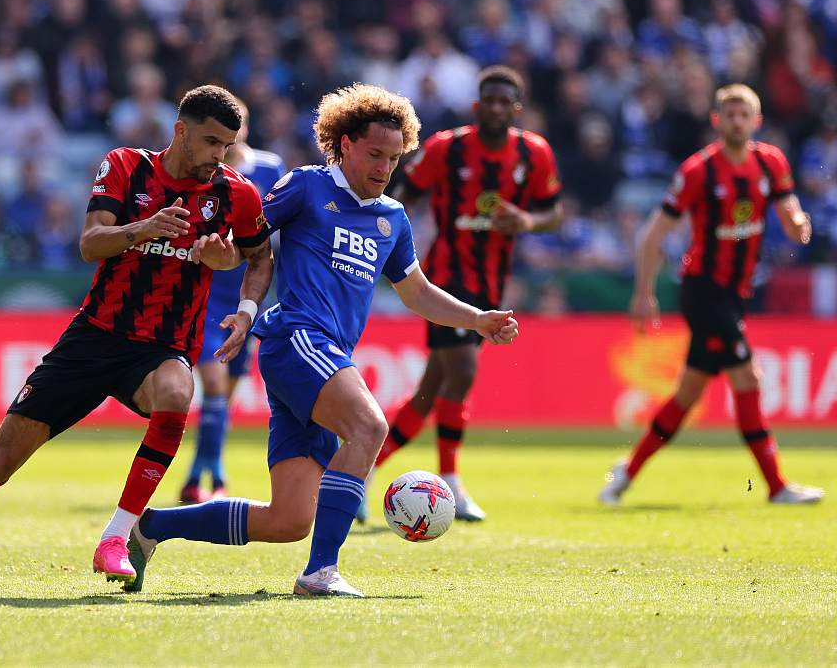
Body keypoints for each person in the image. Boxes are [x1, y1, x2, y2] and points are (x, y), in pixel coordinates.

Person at [123, 84, 520, 597]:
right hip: (297, 339)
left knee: (288, 520)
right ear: (345, 144)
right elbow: (251, 240)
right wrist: (234, 282)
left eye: (394, 158)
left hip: (325, 358)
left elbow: (416, 292)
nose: (384, 167)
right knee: (368, 425)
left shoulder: (392, 218)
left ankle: (152, 527)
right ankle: (321, 573)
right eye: (374, 154)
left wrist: (477, 319)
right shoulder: (306, 187)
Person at [0, 85, 275, 593]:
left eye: (226, 146)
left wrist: (244, 306)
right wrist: (145, 228)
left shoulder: (235, 192)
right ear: (180, 130)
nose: (219, 156)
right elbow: (89, 243)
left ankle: (116, 537)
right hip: (94, 336)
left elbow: (258, 255)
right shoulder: (124, 166)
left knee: (178, 390)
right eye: (210, 142)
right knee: (0, 462)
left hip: (164, 345)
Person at [599, 83, 823, 507]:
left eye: (745, 115)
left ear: (756, 122)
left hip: (736, 292)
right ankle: (776, 487)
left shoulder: (770, 161)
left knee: (687, 394)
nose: (737, 121)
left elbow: (790, 207)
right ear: (717, 121)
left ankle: (626, 472)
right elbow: (653, 235)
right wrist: (643, 294)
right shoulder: (698, 171)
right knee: (748, 377)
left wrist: (798, 223)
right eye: (730, 114)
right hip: (703, 290)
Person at [366, 66, 563, 522]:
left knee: (429, 392)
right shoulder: (446, 148)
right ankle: (450, 478)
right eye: (487, 100)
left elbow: (553, 211)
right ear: (477, 105)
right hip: (444, 280)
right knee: (464, 371)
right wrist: (395, 249)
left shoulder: (534, 153)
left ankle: (361, 472)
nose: (495, 108)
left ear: (515, 110)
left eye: (504, 102)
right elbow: (402, 197)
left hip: (490, 284)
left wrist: (529, 221)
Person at [179, 102, 286, 504]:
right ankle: (213, 479)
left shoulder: (269, 168)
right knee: (213, 384)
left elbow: (275, 232)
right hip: (206, 297)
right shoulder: (202, 171)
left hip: (245, 297)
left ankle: (198, 474)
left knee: (225, 396)